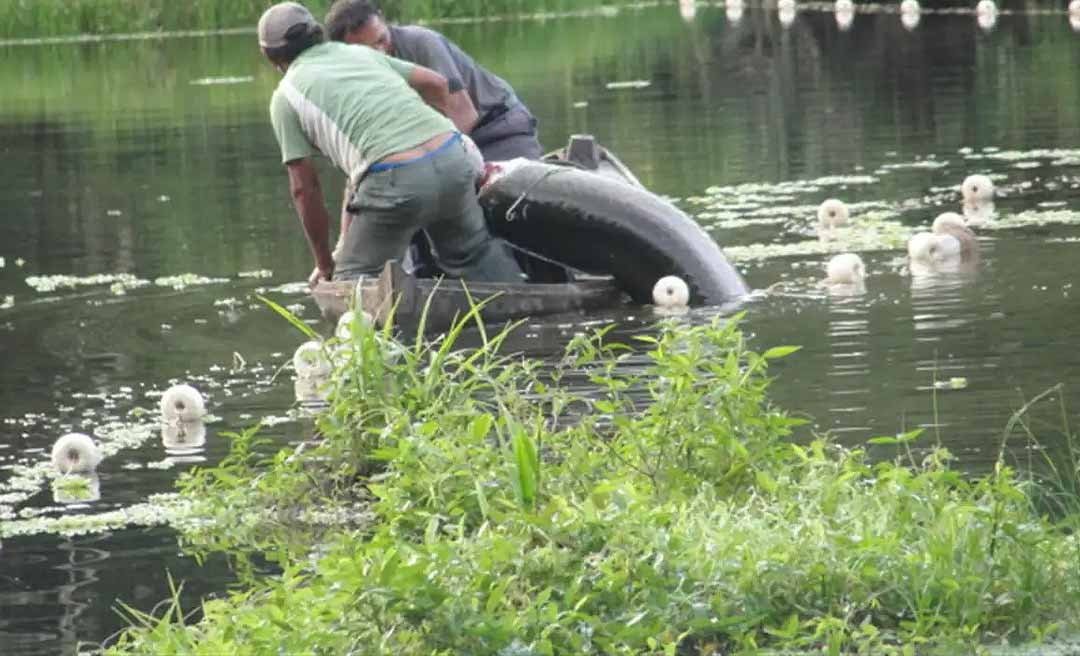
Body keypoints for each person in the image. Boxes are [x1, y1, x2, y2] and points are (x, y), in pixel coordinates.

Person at [257, 2, 523, 286]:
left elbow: (304, 189)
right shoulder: (361, 54)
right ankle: (525, 305)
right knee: (473, 256)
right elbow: (436, 83)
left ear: (272, 59)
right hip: (453, 155)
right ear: (318, 33)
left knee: (352, 282)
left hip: (396, 177)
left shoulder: (285, 97)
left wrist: (324, 263)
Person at [324, 0, 544, 162]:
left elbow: (463, 113)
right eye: (369, 50)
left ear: (383, 20)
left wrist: (441, 166)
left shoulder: (422, 43)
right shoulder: (355, 74)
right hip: (450, 143)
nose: (381, 53)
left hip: (499, 129)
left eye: (382, 39)